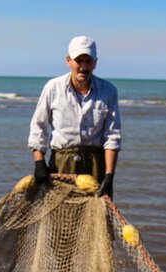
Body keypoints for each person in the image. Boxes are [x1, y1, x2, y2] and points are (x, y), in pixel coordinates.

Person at [28, 35, 122, 199]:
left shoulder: (109, 91)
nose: (83, 67)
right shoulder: (53, 88)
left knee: (96, 222)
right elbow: (39, 126)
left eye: (88, 61)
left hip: (95, 165)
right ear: (68, 61)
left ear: (95, 63)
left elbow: (112, 136)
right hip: (61, 163)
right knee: (61, 221)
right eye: (79, 60)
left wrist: (109, 176)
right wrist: (39, 163)